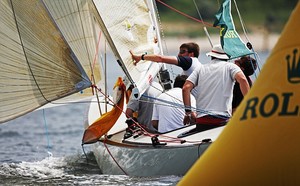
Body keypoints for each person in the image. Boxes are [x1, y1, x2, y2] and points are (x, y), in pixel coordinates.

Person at [182, 44, 250, 131]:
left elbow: (186, 88)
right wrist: (249, 105)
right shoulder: (231, 67)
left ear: (211, 56)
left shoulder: (200, 68)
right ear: (227, 57)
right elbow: (243, 80)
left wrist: (188, 113)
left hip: (202, 121)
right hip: (222, 120)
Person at [130, 42, 202, 96]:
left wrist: (140, 57)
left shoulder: (191, 61)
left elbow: (160, 58)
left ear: (191, 54)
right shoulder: (195, 66)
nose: (179, 54)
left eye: (182, 52)